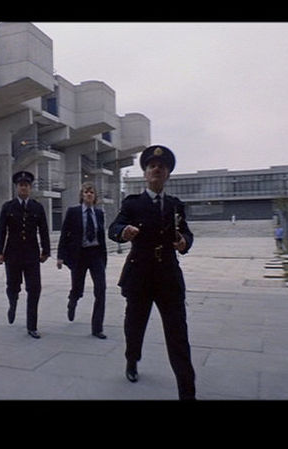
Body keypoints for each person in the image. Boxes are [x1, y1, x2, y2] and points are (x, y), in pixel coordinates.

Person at [108, 144, 196, 400]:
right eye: (152, 166)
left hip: (168, 277)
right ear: (146, 173)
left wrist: (184, 243)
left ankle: (187, 391)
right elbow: (115, 226)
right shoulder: (133, 203)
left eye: (162, 167)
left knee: (178, 335)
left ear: (167, 174)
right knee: (134, 326)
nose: (157, 169)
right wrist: (122, 233)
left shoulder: (175, 205)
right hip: (140, 277)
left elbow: (187, 232)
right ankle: (132, 359)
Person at [0, 171, 50, 339]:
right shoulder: (8, 207)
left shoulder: (37, 207)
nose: (24, 188)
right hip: (12, 255)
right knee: (13, 287)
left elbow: (44, 231)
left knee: (35, 289)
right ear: (16, 187)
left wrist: (46, 251)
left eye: (26, 185)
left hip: (32, 255)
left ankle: (32, 326)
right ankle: (12, 304)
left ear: (30, 188)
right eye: (21, 185)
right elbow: (1, 231)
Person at [56, 182, 108, 339]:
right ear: (82, 195)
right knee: (77, 288)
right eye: (86, 192)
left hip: (96, 255)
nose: (89, 194)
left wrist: (103, 258)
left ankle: (97, 328)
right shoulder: (73, 212)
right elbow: (64, 234)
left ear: (95, 196)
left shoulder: (99, 213)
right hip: (79, 255)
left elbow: (101, 236)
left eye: (92, 192)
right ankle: (72, 302)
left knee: (101, 289)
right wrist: (60, 256)